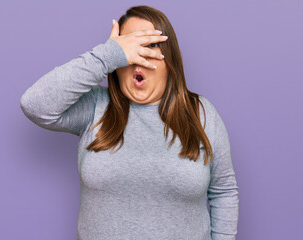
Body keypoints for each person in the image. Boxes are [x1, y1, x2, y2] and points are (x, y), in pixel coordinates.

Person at [20, 5, 239, 240]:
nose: (139, 57)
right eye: (130, 46)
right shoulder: (95, 108)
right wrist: (107, 55)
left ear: (170, 60)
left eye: (150, 45)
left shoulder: (201, 114)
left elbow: (224, 191)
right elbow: (35, 105)